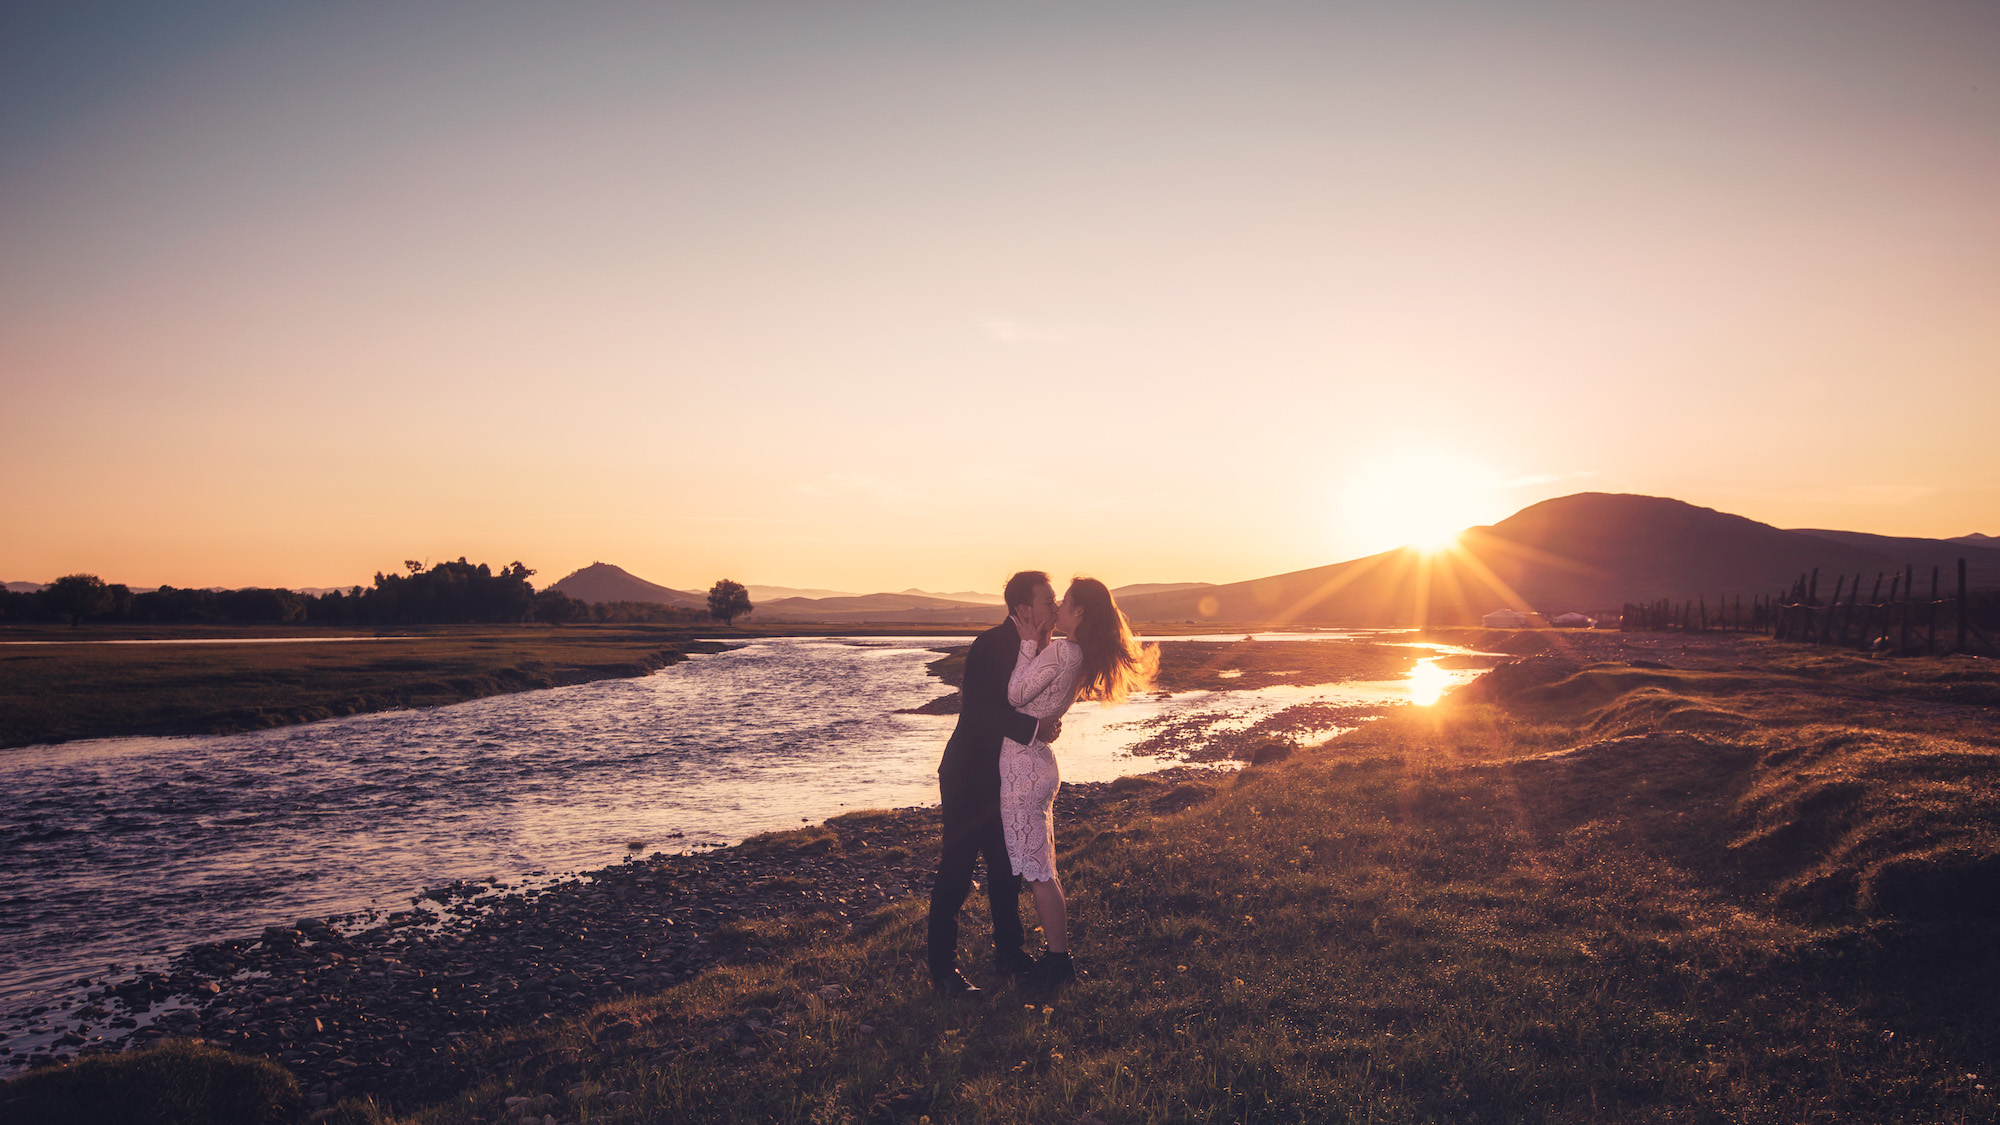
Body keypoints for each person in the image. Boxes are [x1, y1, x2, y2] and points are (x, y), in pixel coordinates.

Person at [1001, 576, 1156, 991]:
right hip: (1033, 764)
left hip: (1024, 770)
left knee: (1038, 872)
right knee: (1041, 868)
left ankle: (1058, 962)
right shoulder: (1075, 651)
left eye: (1064, 602)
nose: (1058, 608)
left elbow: (1016, 694)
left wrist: (1027, 644)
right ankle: (1055, 957)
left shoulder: (1063, 650)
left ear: (1080, 612)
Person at [927, 570, 1063, 998]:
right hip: (970, 775)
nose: (1055, 609)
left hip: (1005, 777)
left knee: (1006, 869)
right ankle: (943, 972)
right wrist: (1035, 727)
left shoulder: (1041, 647)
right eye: (1048, 601)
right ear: (1024, 608)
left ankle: (1009, 953)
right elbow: (983, 710)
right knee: (958, 868)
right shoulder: (991, 644)